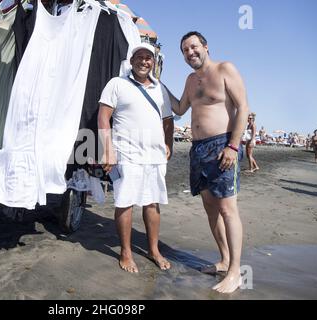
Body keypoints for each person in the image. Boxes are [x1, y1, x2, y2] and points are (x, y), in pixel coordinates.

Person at [166, 31, 249, 293]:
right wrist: (158, 83)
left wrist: (233, 147)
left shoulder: (226, 69)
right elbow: (179, 109)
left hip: (223, 145)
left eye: (193, 47)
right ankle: (224, 261)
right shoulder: (190, 80)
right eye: (185, 50)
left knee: (227, 209)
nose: (190, 53)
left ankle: (236, 272)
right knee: (210, 208)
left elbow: (243, 108)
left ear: (205, 46)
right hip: (198, 149)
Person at [98, 43, 174, 273]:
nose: (143, 61)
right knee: (125, 202)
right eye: (139, 57)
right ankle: (126, 252)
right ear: (131, 61)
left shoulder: (160, 88)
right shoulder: (117, 84)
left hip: (155, 156)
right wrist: (107, 150)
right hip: (126, 153)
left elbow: (168, 120)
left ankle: (153, 250)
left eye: (148, 58)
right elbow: (103, 118)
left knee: (152, 202)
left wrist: (168, 144)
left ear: (153, 62)